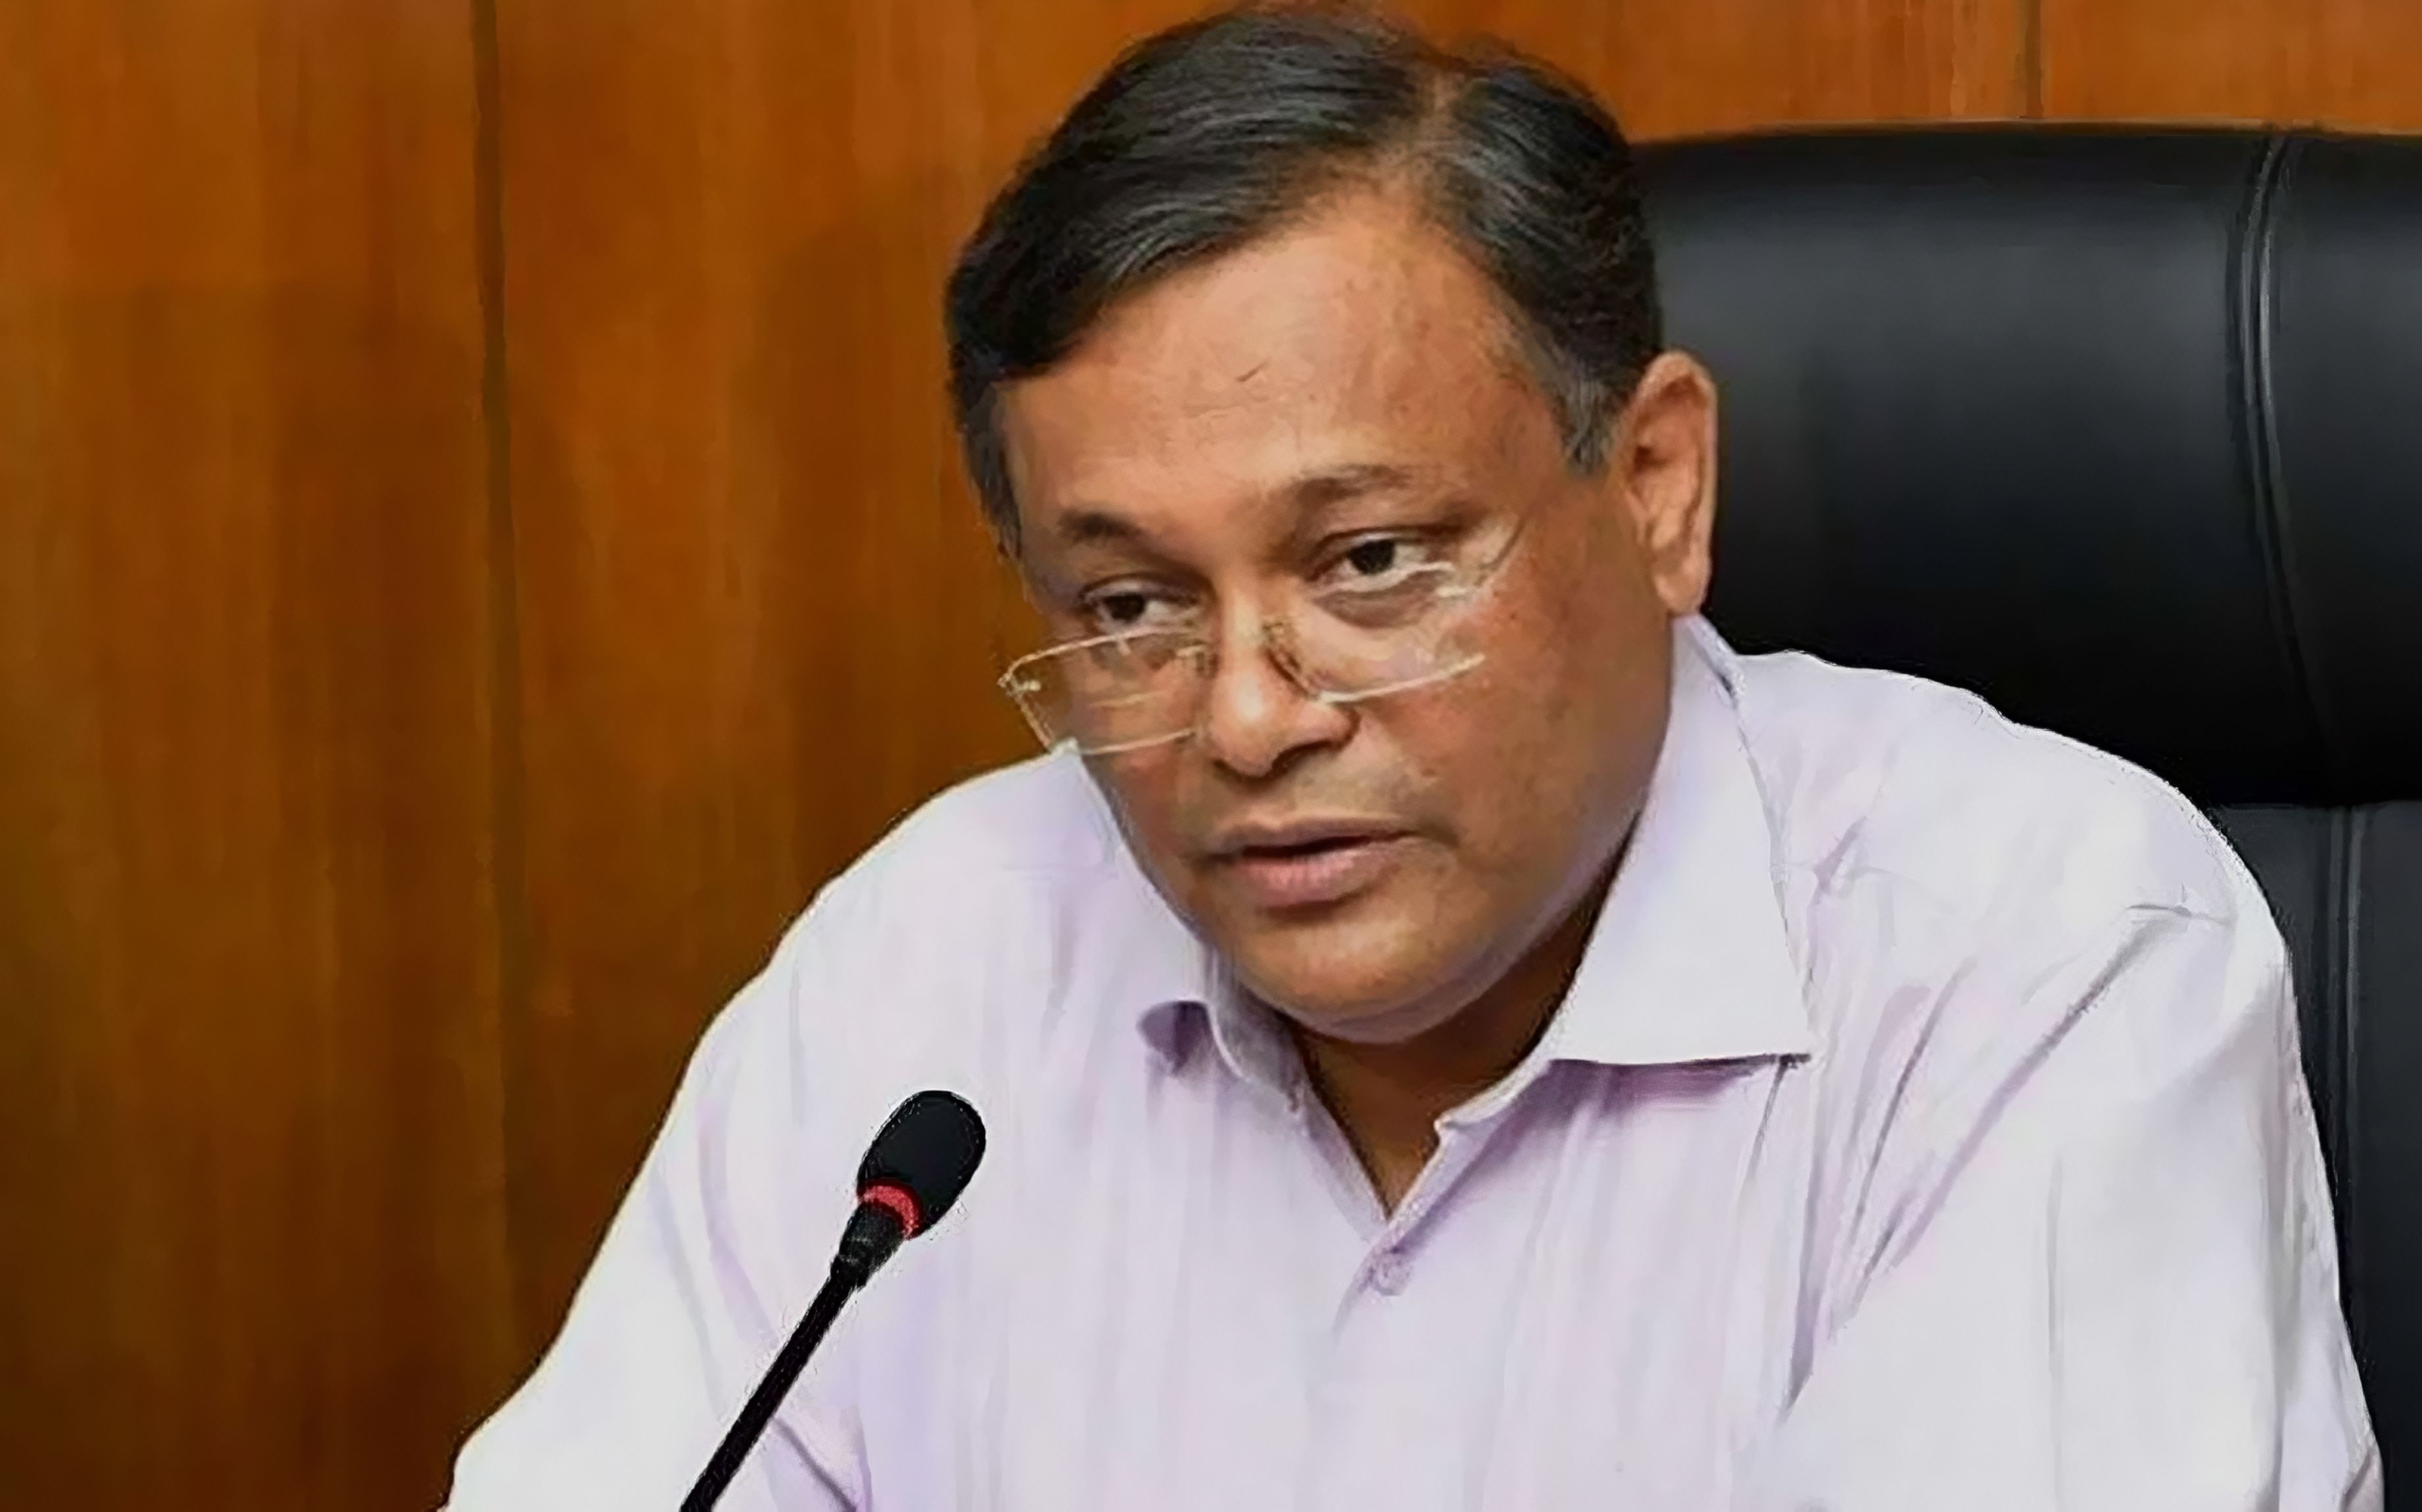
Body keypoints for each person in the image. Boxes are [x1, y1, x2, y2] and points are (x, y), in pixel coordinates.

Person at [443, 8, 2379, 1509]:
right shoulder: (924, 975)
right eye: (1131, 605)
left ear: (1655, 485)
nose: (1246, 718)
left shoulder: (2034, 955)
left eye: (1369, 563)